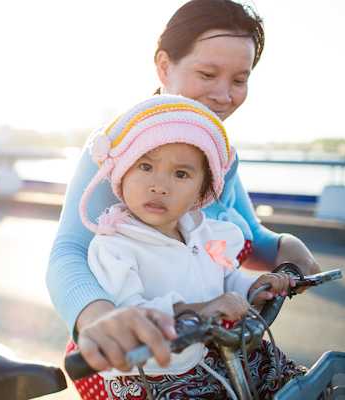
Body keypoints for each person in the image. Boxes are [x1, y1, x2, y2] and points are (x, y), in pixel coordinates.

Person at [46, 0, 321, 397]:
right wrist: (99, 318)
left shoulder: (221, 154)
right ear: (163, 66)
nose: (225, 95)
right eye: (207, 74)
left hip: (215, 344)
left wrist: (284, 247)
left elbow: (245, 233)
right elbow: (69, 250)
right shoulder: (124, 147)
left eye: (239, 79)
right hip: (142, 354)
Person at [73, 94, 305, 399]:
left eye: (181, 174)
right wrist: (200, 310)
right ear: (121, 173)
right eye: (145, 166)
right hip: (155, 373)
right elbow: (129, 315)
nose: (160, 185)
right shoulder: (114, 246)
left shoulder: (206, 234)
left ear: (201, 192)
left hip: (211, 356)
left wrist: (254, 286)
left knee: (284, 377)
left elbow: (224, 277)